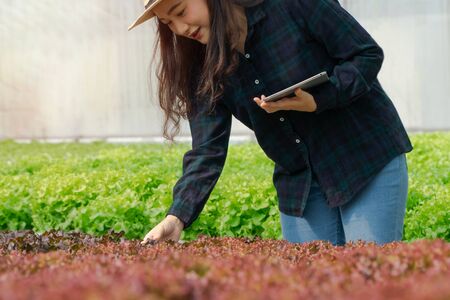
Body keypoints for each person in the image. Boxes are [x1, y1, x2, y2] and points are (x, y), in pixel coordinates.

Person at [129, 0, 413, 246]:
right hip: (299, 181)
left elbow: (366, 54)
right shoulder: (200, 64)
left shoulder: (290, 5)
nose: (180, 28)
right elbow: (207, 149)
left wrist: (321, 98)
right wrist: (177, 217)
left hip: (363, 156)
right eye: (168, 22)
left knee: (371, 281)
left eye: (180, 10)